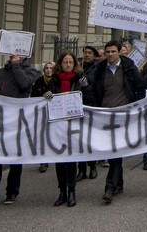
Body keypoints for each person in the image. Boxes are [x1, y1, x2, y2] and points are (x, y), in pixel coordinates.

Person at [90, 39, 145, 203]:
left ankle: (109, 187)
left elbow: (140, 88)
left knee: (115, 151)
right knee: (113, 151)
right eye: (108, 52)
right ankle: (119, 184)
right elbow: (95, 91)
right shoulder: (100, 70)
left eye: (113, 51)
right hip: (105, 114)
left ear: (119, 52)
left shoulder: (129, 68)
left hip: (123, 115)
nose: (110, 55)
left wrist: (134, 107)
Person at [0, 54, 38, 209]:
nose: (15, 55)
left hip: (18, 122)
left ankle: (12, 192)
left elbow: (25, 84)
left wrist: (16, 66)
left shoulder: (31, 72)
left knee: (15, 159)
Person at [40, 52, 92, 207]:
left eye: (70, 62)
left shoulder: (79, 78)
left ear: (74, 64)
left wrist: (86, 86)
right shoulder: (55, 79)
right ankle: (62, 191)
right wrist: (47, 94)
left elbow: (89, 98)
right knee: (60, 159)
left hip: (74, 123)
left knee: (70, 159)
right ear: (60, 64)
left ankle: (71, 191)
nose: (68, 65)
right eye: (65, 62)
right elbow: (47, 97)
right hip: (58, 123)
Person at [76, 46, 99, 182]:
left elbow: (97, 87)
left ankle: (93, 167)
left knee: (90, 140)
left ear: (94, 55)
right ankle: (82, 169)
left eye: (90, 53)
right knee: (80, 140)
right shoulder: (79, 68)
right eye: (86, 52)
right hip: (79, 105)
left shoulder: (97, 69)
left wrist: (87, 86)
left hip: (91, 105)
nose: (87, 55)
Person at [31, 61, 55, 174]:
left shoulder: (57, 80)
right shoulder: (39, 81)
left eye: (51, 68)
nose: (49, 70)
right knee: (43, 138)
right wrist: (42, 95)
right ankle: (43, 162)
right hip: (42, 114)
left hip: (54, 114)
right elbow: (33, 96)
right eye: (47, 68)